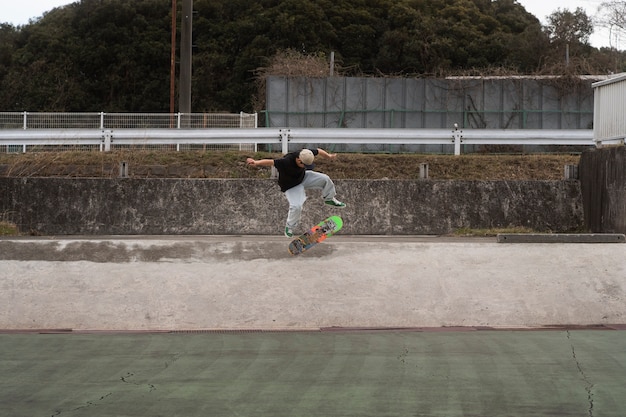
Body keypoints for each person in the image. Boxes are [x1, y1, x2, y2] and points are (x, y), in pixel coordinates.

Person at [246, 148, 346, 237]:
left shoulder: (306, 153)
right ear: (298, 160)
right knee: (297, 206)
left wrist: (329, 156)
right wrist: (256, 162)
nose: (304, 166)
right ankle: (289, 227)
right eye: (303, 164)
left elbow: (319, 151)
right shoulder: (286, 161)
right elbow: (270, 162)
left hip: (303, 178)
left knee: (325, 179)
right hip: (290, 185)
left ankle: (329, 199)